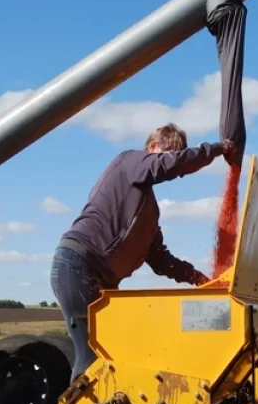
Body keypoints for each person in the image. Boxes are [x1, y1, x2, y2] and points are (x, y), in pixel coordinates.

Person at [52, 122, 234, 380]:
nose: (177, 170)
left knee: (117, 353)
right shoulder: (129, 161)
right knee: (92, 358)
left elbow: (161, 260)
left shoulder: (149, 210)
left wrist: (202, 281)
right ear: (153, 146)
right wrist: (217, 149)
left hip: (102, 279)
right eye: (172, 155)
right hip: (78, 265)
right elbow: (167, 166)